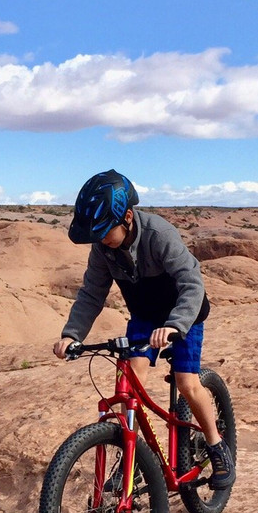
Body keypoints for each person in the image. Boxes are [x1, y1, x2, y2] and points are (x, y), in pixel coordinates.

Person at [52, 169, 234, 490]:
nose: (101, 240)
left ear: (127, 217)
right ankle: (133, 459)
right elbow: (92, 293)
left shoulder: (158, 234)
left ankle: (216, 445)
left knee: (187, 383)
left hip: (183, 314)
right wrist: (72, 334)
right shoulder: (103, 249)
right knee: (130, 383)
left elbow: (191, 283)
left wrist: (176, 325)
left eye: (106, 231)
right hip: (146, 318)